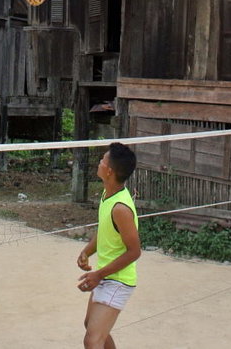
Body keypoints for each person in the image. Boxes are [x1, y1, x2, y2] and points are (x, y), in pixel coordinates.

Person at [76, 142, 141, 349]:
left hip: (118, 280)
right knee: (92, 327)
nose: (99, 163)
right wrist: (87, 251)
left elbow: (134, 252)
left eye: (102, 160)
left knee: (92, 340)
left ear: (110, 171)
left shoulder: (121, 208)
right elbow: (105, 231)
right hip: (106, 275)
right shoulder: (107, 195)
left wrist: (99, 275)